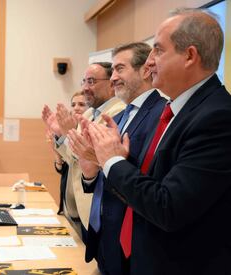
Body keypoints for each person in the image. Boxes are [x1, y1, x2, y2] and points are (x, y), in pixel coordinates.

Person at [88, 8, 231, 275]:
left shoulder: (217, 117)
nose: (149, 61)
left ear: (190, 56)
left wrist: (113, 160)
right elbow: (151, 184)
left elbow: (168, 207)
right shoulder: (176, 110)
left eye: (158, 50)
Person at [68, 42, 166, 274]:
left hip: (133, 241)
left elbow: (146, 176)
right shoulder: (121, 115)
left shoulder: (161, 114)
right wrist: (90, 171)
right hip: (105, 235)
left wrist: (110, 162)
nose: (113, 78)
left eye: (119, 69)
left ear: (144, 70)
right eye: (112, 71)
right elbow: (108, 170)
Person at [42, 62, 125, 242]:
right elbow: (73, 159)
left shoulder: (117, 113)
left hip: (98, 208)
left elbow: (89, 158)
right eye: (84, 82)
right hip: (77, 205)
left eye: (92, 81)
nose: (86, 88)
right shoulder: (88, 115)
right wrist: (61, 134)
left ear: (111, 84)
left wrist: (68, 133)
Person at [47, 91, 88, 215]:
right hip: (67, 201)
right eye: (73, 104)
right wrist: (56, 150)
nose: (76, 108)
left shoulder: (86, 131)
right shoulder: (69, 130)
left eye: (81, 104)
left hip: (81, 203)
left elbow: (78, 165)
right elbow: (62, 168)